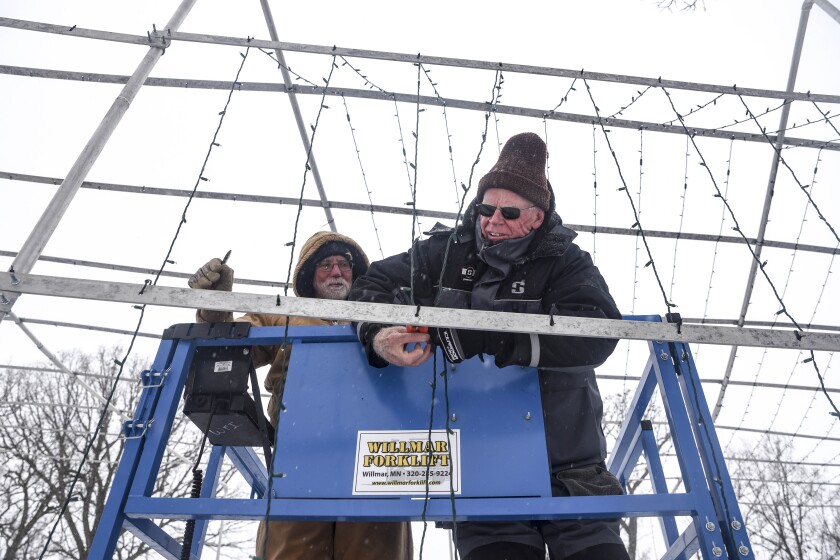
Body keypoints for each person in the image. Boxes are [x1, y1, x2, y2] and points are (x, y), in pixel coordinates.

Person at [348, 132, 631, 560]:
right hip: (480, 466)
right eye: (485, 207)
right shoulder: (442, 254)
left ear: (537, 217)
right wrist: (378, 333)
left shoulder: (566, 261)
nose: (493, 220)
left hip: (572, 467)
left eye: (509, 211)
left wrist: (493, 336)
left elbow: (600, 331)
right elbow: (368, 285)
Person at [188, 231, 413, 560]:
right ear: (309, 275)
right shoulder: (285, 314)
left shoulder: (382, 316)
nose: (336, 272)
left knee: (377, 550)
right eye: (325, 265)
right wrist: (214, 308)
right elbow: (234, 349)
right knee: (291, 550)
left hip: (376, 457)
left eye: (344, 264)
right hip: (300, 451)